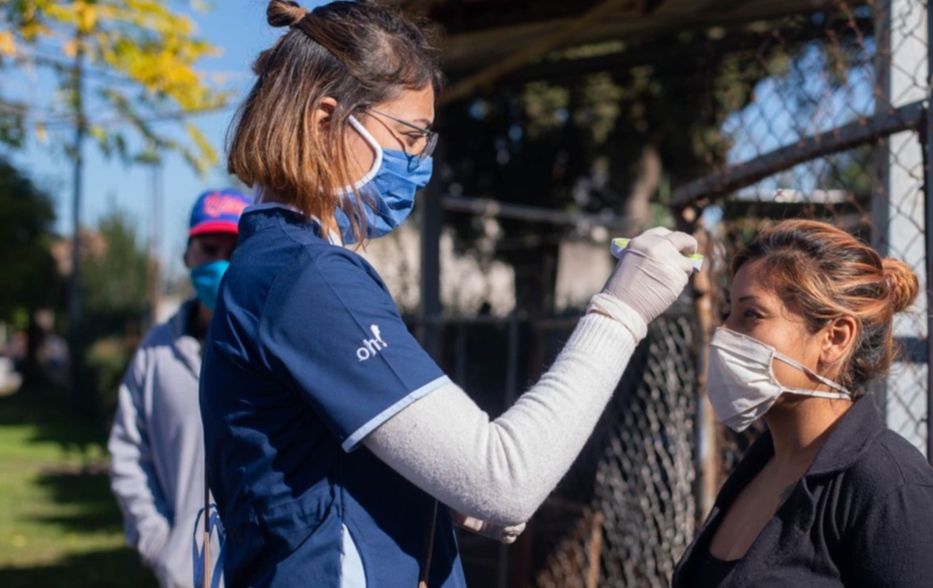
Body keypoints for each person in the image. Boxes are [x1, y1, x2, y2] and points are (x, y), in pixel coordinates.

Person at [198, 1, 698, 586]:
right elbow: (504, 480)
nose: (420, 164)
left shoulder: (272, 265)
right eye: (409, 136)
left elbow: (311, 464)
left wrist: (428, 492)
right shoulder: (309, 278)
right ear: (325, 121)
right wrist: (621, 311)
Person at [672, 219, 933, 587]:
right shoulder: (762, 466)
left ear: (835, 338)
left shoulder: (895, 492)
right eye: (728, 313)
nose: (724, 333)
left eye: (751, 314)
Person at [108, 188, 250, 588]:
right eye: (209, 248)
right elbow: (128, 454)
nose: (221, 262)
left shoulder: (278, 344)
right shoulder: (155, 351)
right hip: (186, 575)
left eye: (235, 250)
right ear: (188, 255)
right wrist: (160, 545)